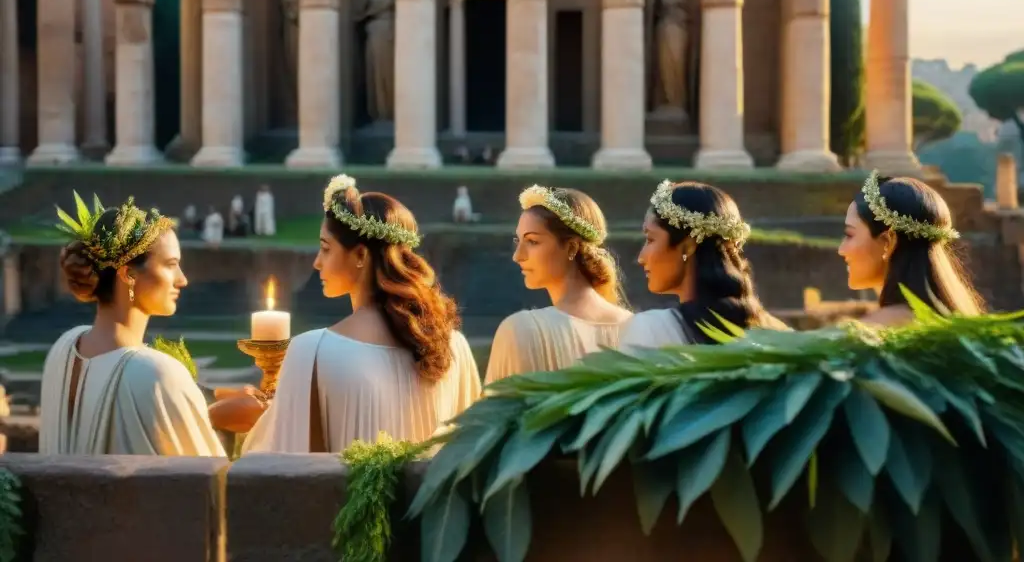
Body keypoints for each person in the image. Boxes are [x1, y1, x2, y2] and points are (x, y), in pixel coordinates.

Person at [238, 175, 481, 453]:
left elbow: (282, 466)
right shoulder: (455, 347)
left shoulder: (311, 352)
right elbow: (470, 454)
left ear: (361, 256)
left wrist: (254, 418)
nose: (317, 262)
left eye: (326, 248)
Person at [39, 193, 226, 456]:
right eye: (171, 265)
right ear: (128, 274)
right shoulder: (157, 373)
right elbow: (210, 480)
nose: (182, 279)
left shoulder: (63, 349)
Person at [485, 186, 631, 383]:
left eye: (532, 242)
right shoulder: (636, 327)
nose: (517, 256)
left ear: (571, 247)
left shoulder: (520, 329)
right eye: (518, 241)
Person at [622, 180, 784, 350]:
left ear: (688, 246)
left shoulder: (651, 330)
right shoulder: (774, 333)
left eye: (650, 239)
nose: (641, 257)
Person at [839, 170, 984, 326]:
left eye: (849, 235)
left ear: (888, 243)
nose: (841, 249)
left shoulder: (873, 332)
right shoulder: (956, 321)